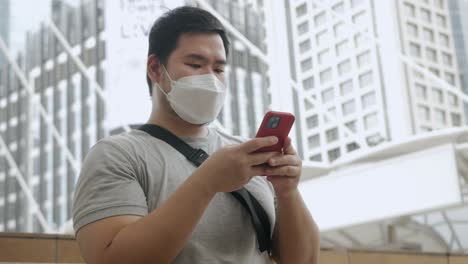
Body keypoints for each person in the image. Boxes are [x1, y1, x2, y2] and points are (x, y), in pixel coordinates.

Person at [72, 6, 319, 264]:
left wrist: (287, 191)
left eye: (219, 69)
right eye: (195, 64)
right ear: (156, 69)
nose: (210, 79)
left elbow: (303, 260)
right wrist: (206, 183)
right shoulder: (117, 155)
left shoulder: (247, 155)